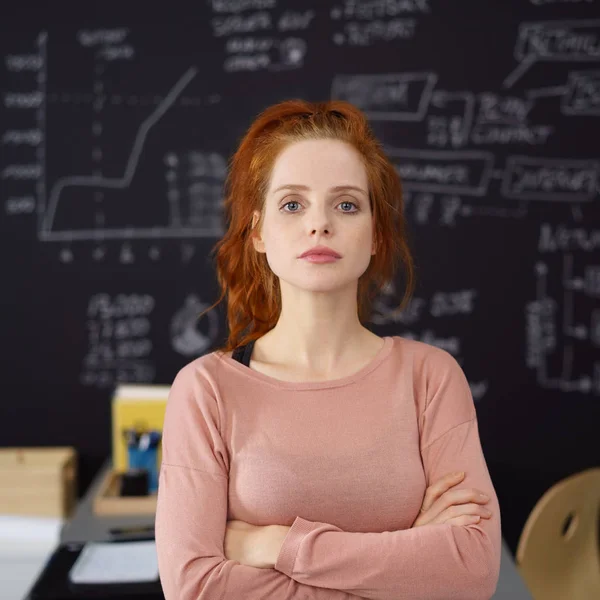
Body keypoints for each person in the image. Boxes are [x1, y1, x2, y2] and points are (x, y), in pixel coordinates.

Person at [155, 99, 501, 599]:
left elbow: (470, 574)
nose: (319, 224)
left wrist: (279, 546)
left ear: (376, 234)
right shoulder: (207, 390)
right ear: (258, 232)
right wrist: (409, 555)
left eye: (346, 204)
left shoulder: (430, 377)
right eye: (292, 204)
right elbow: (194, 588)